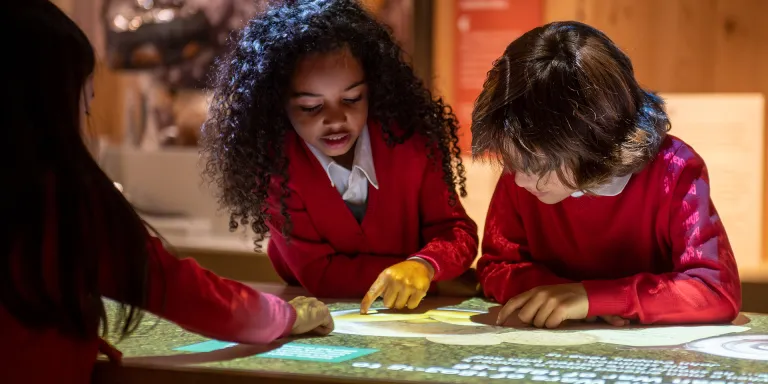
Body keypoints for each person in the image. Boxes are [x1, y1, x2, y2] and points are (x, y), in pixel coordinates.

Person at [0, 2, 333, 383]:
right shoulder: (72, 206)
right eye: (85, 106)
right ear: (48, 110)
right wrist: (287, 315)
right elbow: (193, 296)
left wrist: (69, 338)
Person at [200, 0, 478, 314]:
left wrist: (423, 266)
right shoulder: (273, 168)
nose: (335, 119)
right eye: (310, 106)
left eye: (351, 98)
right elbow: (319, 273)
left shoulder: (411, 141)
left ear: (373, 89)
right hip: (331, 314)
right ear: (276, 105)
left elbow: (456, 232)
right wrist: (431, 278)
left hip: (413, 313)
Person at [471, 21, 741, 329]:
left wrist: (594, 298)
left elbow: (714, 289)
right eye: (510, 162)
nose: (519, 180)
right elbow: (497, 265)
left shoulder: (674, 170)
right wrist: (565, 297)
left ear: (593, 142)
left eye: (536, 165)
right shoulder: (523, 170)